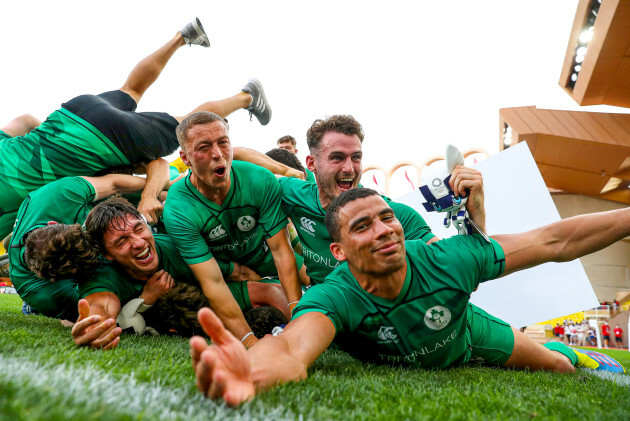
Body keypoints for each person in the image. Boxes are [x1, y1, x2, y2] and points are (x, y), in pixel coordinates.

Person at [191, 188, 628, 406]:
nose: (383, 230)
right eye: (362, 226)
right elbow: (291, 346)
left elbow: (554, 241)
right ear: (338, 252)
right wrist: (254, 366)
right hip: (416, 348)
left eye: (386, 218)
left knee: (556, 365)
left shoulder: (449, 259)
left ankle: (571, 351)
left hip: (465, 333)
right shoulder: (335, 295)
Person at [0, 18, 274, 238]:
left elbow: (158, 163)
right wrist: (48, 139)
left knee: (187, 125)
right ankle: (184, 35)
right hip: (73, 112)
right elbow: (25, 120)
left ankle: (247, 97)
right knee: (131, 90)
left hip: (101, 141)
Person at [277, 115, 486, 285]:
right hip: (327, 318)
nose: (349, 168)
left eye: (356, 157)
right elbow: (246, 169)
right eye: (337, 157)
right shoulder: (293, 193)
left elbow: (462, 269)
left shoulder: (394, 216)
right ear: (311, 163)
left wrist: (476, 210)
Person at [69, 196, 291, 349]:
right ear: (107, 254)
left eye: (139, 229)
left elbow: (240, 274)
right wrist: (93, 327)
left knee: (270, 290)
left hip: (193, 300)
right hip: (150, 317)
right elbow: (99, 309)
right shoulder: (102, 272)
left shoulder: (180, 251)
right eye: (122, 241)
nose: (138, 243)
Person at [162, 111, 302, 348]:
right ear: (185, 158)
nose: (217, 154)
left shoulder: (259, 180)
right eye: (204, 147)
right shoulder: (178, 209)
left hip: (264, 255)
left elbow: (281, 251)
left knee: (316, 276)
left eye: (223, 143)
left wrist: (298, 315)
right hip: (226, 272)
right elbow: (213, 283)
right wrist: (250, 343)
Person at [9, 175, 148, 320]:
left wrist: (151, 193)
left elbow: (114, 183)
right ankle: (32, 307)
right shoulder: (49, 294)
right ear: (54, 279)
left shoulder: (59, 194)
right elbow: (100, 310)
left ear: (53, 223)